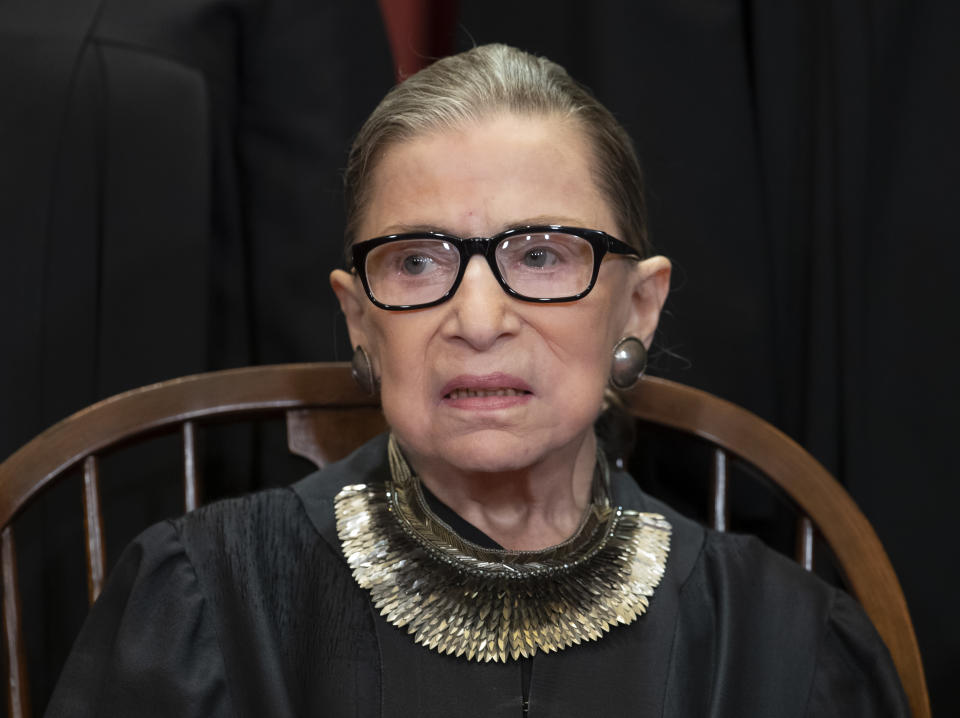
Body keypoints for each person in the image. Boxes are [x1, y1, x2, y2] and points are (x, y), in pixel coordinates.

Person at [46, 44, 908, 717]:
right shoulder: (202, 602)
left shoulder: (788, 642)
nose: (480, 318)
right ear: (359, 320)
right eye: (418, 261)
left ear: (638, 307)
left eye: (540, 255)